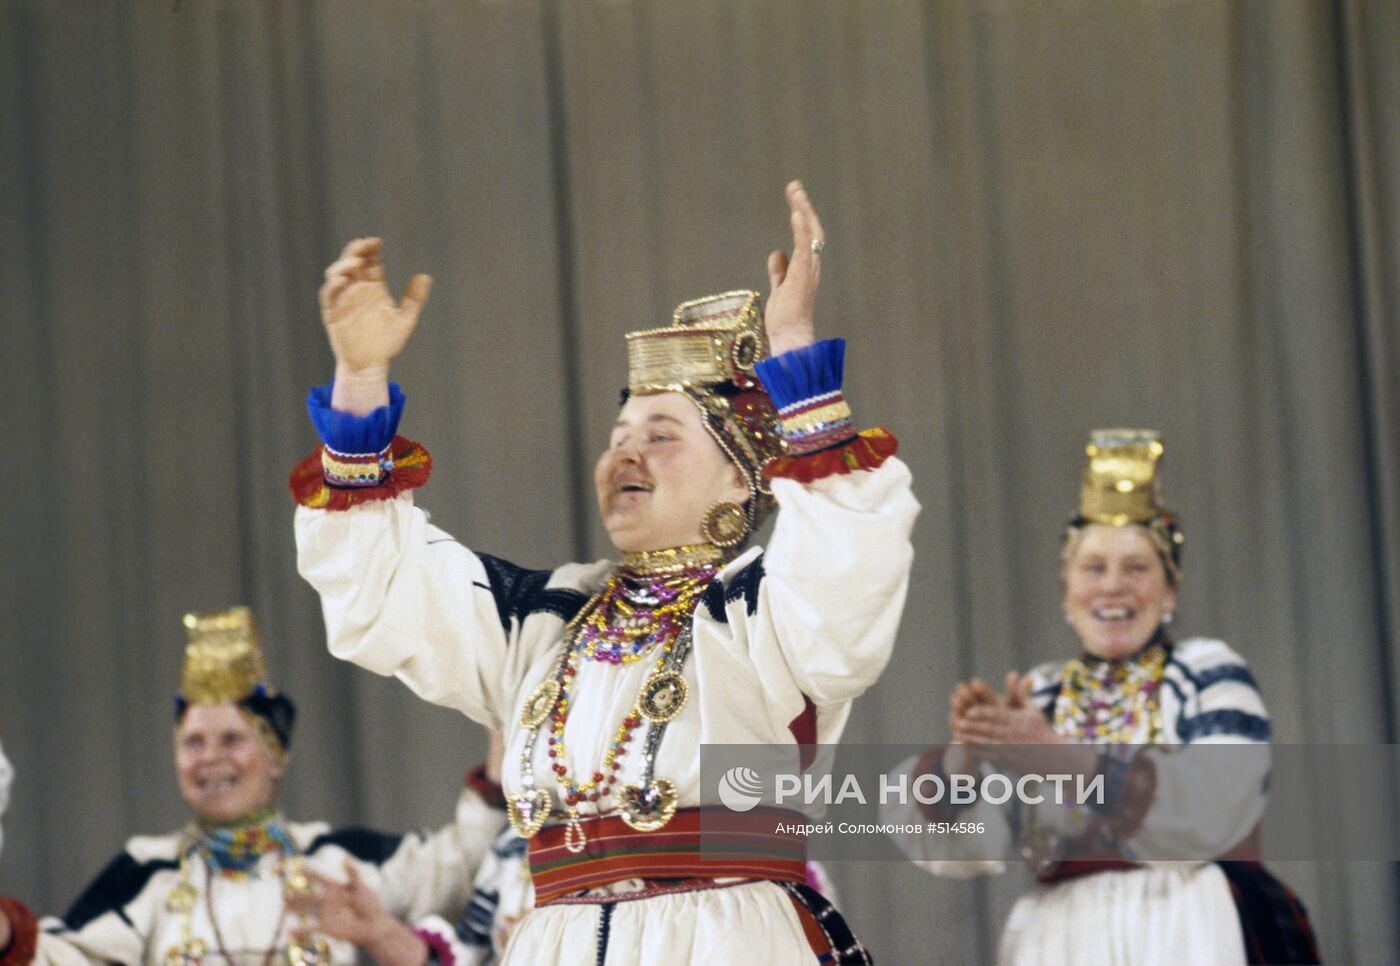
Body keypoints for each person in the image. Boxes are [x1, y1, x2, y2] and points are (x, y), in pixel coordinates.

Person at [290, 180, 919, 963]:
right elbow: (381, 591)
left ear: (740, 479)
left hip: (722, 942)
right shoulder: (547, 618)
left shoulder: (760, 611)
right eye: (619, 433)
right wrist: (358, 379)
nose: (625, 451)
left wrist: (797, 365)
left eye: (660, 435)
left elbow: (848, 576)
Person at [890, 429, 1319, 965]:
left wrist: (1056, 756)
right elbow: (964, 848)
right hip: (1060, 939)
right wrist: (968, 759)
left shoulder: (1207, 671)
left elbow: (1213, 814)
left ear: (1170, 591)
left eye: (1137, 567)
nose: (1113, 586)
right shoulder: (1040, 693)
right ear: (1068, 592)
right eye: (1093, 567)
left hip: (1186, 929)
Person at [0, 606, 503, 966]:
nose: (211, 758)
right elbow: (59, 954)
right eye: (193, 742)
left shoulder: (336, 860)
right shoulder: (147, 871)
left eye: (232, 739)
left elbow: (464, 866)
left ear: (274, 756)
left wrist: (503, 735)